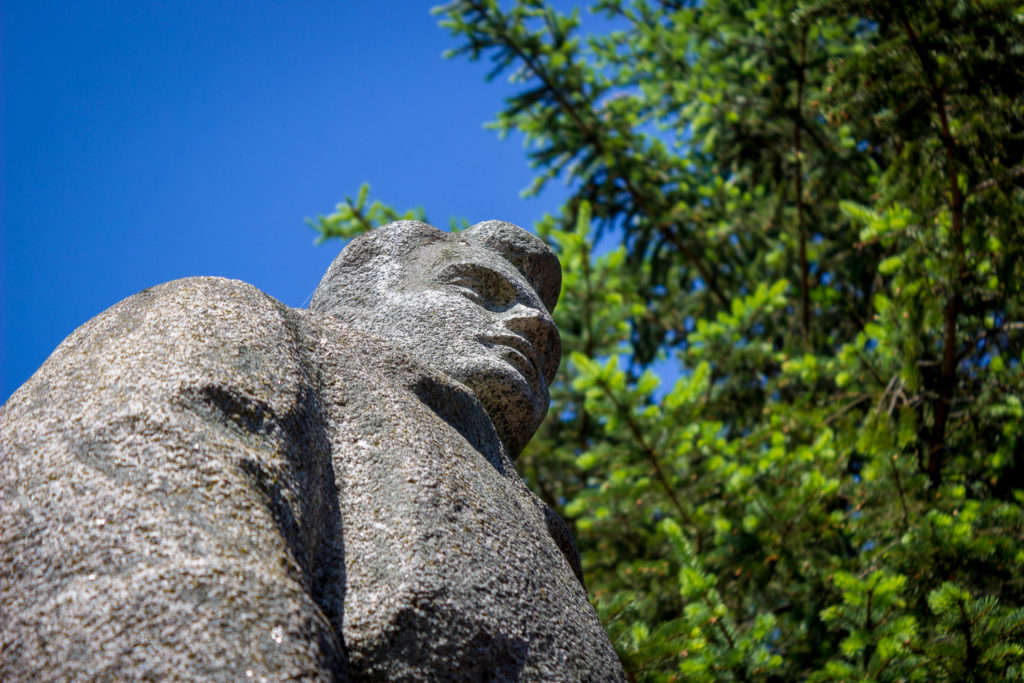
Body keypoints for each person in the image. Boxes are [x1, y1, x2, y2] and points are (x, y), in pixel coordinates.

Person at [0, 220, 625, 681]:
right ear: (365, 289)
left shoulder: (544, 533)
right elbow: (119, 522)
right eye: (480, 289)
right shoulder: (242, 323)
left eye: (548, 349)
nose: (532, 327)